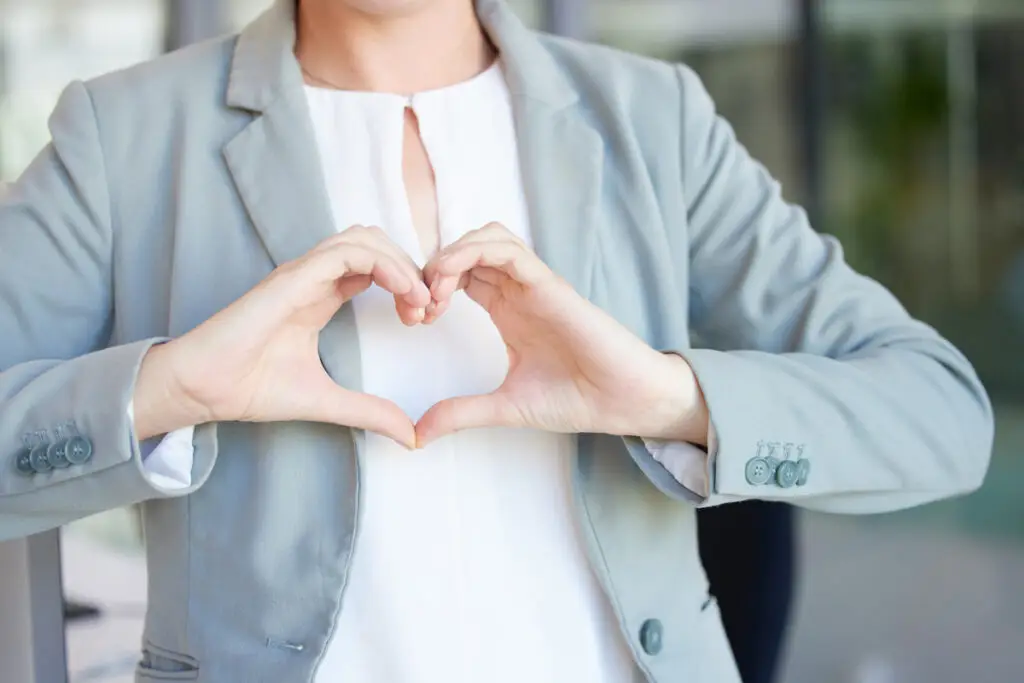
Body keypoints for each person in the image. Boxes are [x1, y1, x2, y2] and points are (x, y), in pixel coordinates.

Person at [0, 0, 993, 681]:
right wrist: (169, 388)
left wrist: (663, 397)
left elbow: (939, 411)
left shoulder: (654, 121)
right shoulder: (121, 138)